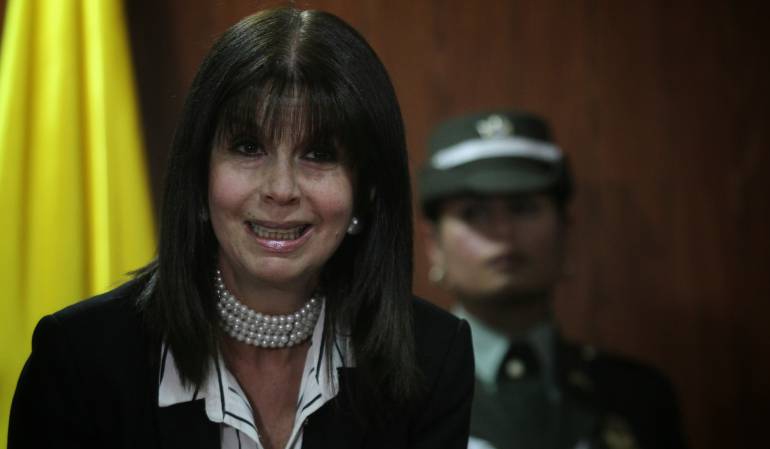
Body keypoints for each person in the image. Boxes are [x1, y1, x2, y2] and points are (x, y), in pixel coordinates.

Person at [9, 8, 473, 449]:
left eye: (318, 154)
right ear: (200, 175)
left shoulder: (431, 357)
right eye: (249, 148)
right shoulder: (80, 360)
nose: (281, 189)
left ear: (367, 191)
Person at [417, 110, 687, 449]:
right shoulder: (395, 395)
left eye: (523, 207)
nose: (503, 231)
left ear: (565, 232)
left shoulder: (638, 395)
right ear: (434, 246)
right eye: (475, 212)